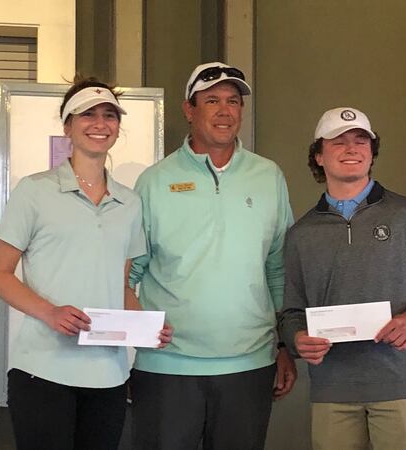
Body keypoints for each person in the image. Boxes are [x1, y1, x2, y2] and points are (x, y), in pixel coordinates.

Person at [0, 76, 172, 450]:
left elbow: (121, 286)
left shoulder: (129, 202)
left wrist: (144, 327)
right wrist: (50, 313)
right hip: (43, 370)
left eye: (109, 115)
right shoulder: (35, 191)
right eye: (87, 114)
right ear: (68, 126)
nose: (99, 124)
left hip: (108, 376)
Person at [128, 62, 297, 450]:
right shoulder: (154, 181)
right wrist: (136, 337)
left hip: (250, 365)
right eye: (212, 100)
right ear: (189, 110)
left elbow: (278, 268)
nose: (225, 110)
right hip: (166, 368)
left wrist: (285, 347)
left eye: (233, 101)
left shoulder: (268, 176)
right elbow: (130, 272)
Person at [279, 107, 406, 450]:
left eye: (361, 141)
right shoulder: (301, 234)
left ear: (372, 153)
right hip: (332, 391)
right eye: (338, 142)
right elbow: (290, 311)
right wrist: (297, 337)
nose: (352, 148)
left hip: (399, 385)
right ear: (318, 156)